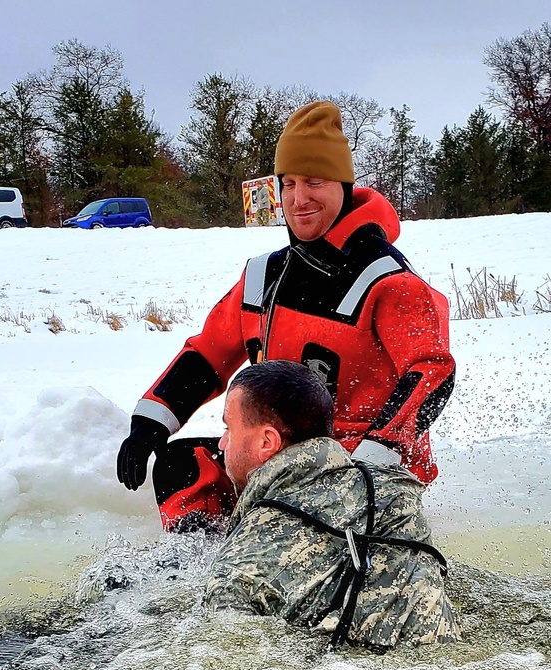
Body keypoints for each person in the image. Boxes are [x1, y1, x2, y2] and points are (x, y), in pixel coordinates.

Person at [117, 100, 456, 532]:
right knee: (181, 465)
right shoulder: (264, 275)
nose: (298, 199)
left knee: (293, 513)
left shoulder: (391, 283)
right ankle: (204, 574)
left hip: (365, 464)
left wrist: (381, 449)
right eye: (289, 183)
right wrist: (150, 422)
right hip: (279, 453)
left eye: (314, 181)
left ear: (344, 187)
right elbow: (208, 353)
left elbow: (432, 370)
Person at [204, 360, 459, 650]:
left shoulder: (241, 566)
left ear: (267, 442)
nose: (223, 443)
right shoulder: (393, 492)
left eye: (228, 427)